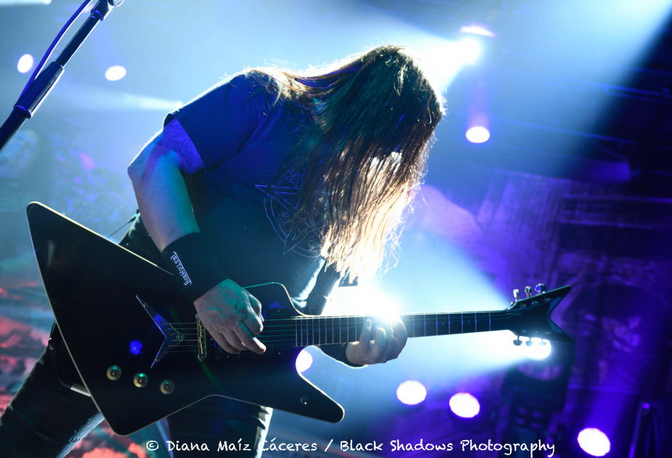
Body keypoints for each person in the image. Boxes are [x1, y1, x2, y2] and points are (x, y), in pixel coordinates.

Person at [0, 44, 444, 457]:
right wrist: (207, 286)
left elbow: (309, 309)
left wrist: (352, 349)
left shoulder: (354, 192)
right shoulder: (266, 98)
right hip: (130, 314)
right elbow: (153, 166)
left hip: (238, 367)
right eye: (390, 138)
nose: (387, 156)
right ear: (369, 107)